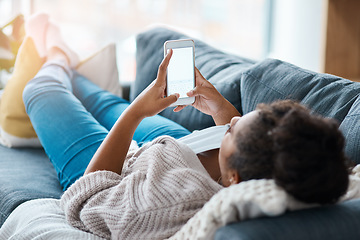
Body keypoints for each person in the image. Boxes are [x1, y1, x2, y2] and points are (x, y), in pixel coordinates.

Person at [21, 14, 350, 239]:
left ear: (235, 178)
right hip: (179, 148)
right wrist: (220, 108)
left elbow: (85, 202)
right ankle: (74, 70)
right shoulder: (266, 166)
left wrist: (136, 113)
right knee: (104, 103)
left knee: (40, 93)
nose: (231, 121)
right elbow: (244, 148)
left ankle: (57, 57)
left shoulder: (163, 207)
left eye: (233, 129)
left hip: (122, 172)